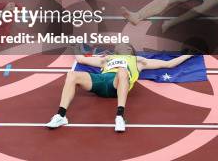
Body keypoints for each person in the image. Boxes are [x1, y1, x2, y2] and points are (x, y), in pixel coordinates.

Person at [45, 44, 193, 132]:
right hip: (100, 81)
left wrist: (188, 55)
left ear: (131, 51)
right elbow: (81, 59)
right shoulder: (107, 59)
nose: (123, 45)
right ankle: (61, 116)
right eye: (121, 44)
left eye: (127, 45)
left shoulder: (139, 61)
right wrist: (75, 47)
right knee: (72, 75)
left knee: (122, 71)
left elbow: (169, 64)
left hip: (117, 84)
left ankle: (120, 117)